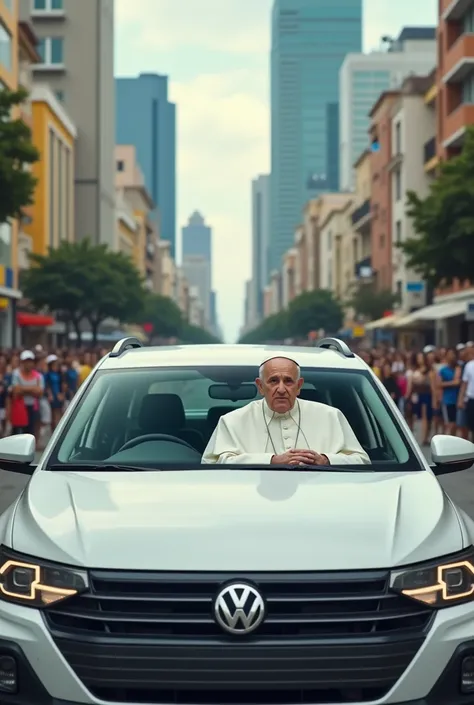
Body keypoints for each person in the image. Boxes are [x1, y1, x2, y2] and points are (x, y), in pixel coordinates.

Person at [202, 356, 370, 466]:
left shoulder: (331, 416)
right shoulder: (232, 421)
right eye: (273, 381)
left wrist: (326, 460)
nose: (281, 389)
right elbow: (212, 464)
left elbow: (362, 461)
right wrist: (271, 461)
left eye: (288, 381)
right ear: (260, 386)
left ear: (299, 386)